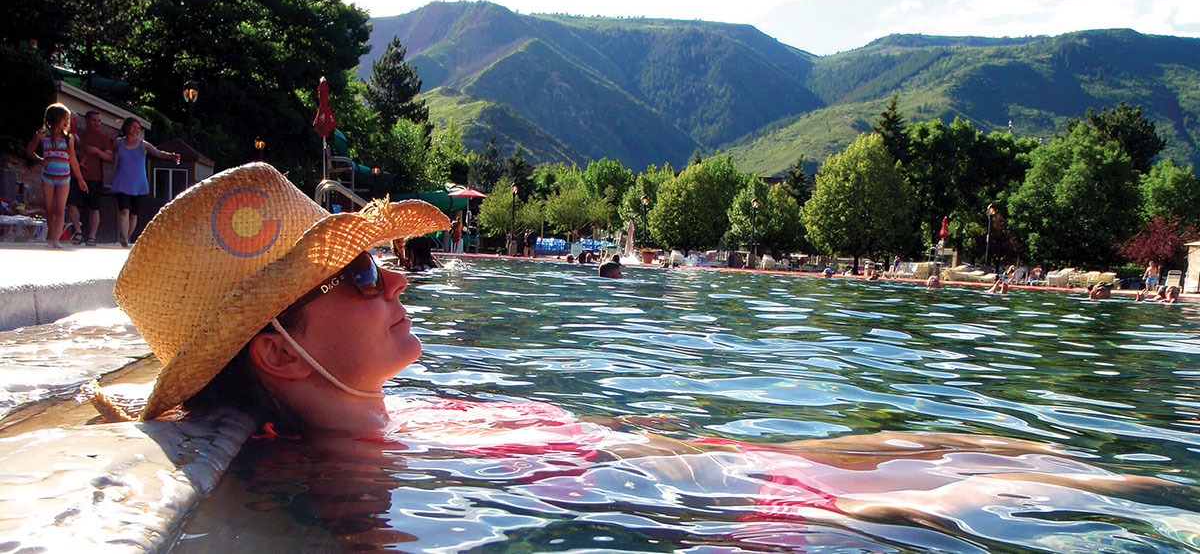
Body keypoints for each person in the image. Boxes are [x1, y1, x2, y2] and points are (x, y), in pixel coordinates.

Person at [90, 162, 1194, 544]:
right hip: (747, 504)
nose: (399, 282)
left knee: (976, 441)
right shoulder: (361, 480)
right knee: (1077, 497)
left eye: (392, 264)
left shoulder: (399, 421)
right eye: (364, 274)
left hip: (735, 459)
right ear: (279, 354)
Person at [110, 117, 180, 247]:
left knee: (133, 214)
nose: (136, 130)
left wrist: (171, 156)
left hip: (138, 184)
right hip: (122, 181)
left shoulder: (143, 145)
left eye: (138, 127)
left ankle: (128, 237)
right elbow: (112, 157)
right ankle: (124, 238)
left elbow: (158, 153)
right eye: (133, 126)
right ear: (127, 127)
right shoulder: (118, 143)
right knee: (124, 210)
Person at [25, 103, 87, 249]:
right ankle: (52, 234)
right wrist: (41, 160)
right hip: (48, 176)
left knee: (60, 209)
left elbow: (73, 159)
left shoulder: (68, 139)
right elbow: (29, 150)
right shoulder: (41, 135)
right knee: (50, 209)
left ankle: (55, 240)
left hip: (64, 177)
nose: (67, 122)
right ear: (55, 118)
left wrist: (80, 179)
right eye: (64, 118)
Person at [66, 111, 113, 245]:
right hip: (76, 175)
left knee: (94, 208)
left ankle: (92, 236)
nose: (97, 123)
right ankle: (78, 232)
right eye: (94, 120)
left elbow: (110, 157)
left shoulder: (103, 138)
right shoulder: (77, 135)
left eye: (99, 121)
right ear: (86, 120)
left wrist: (97, 151)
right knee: (72, 204)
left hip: (95, 177)